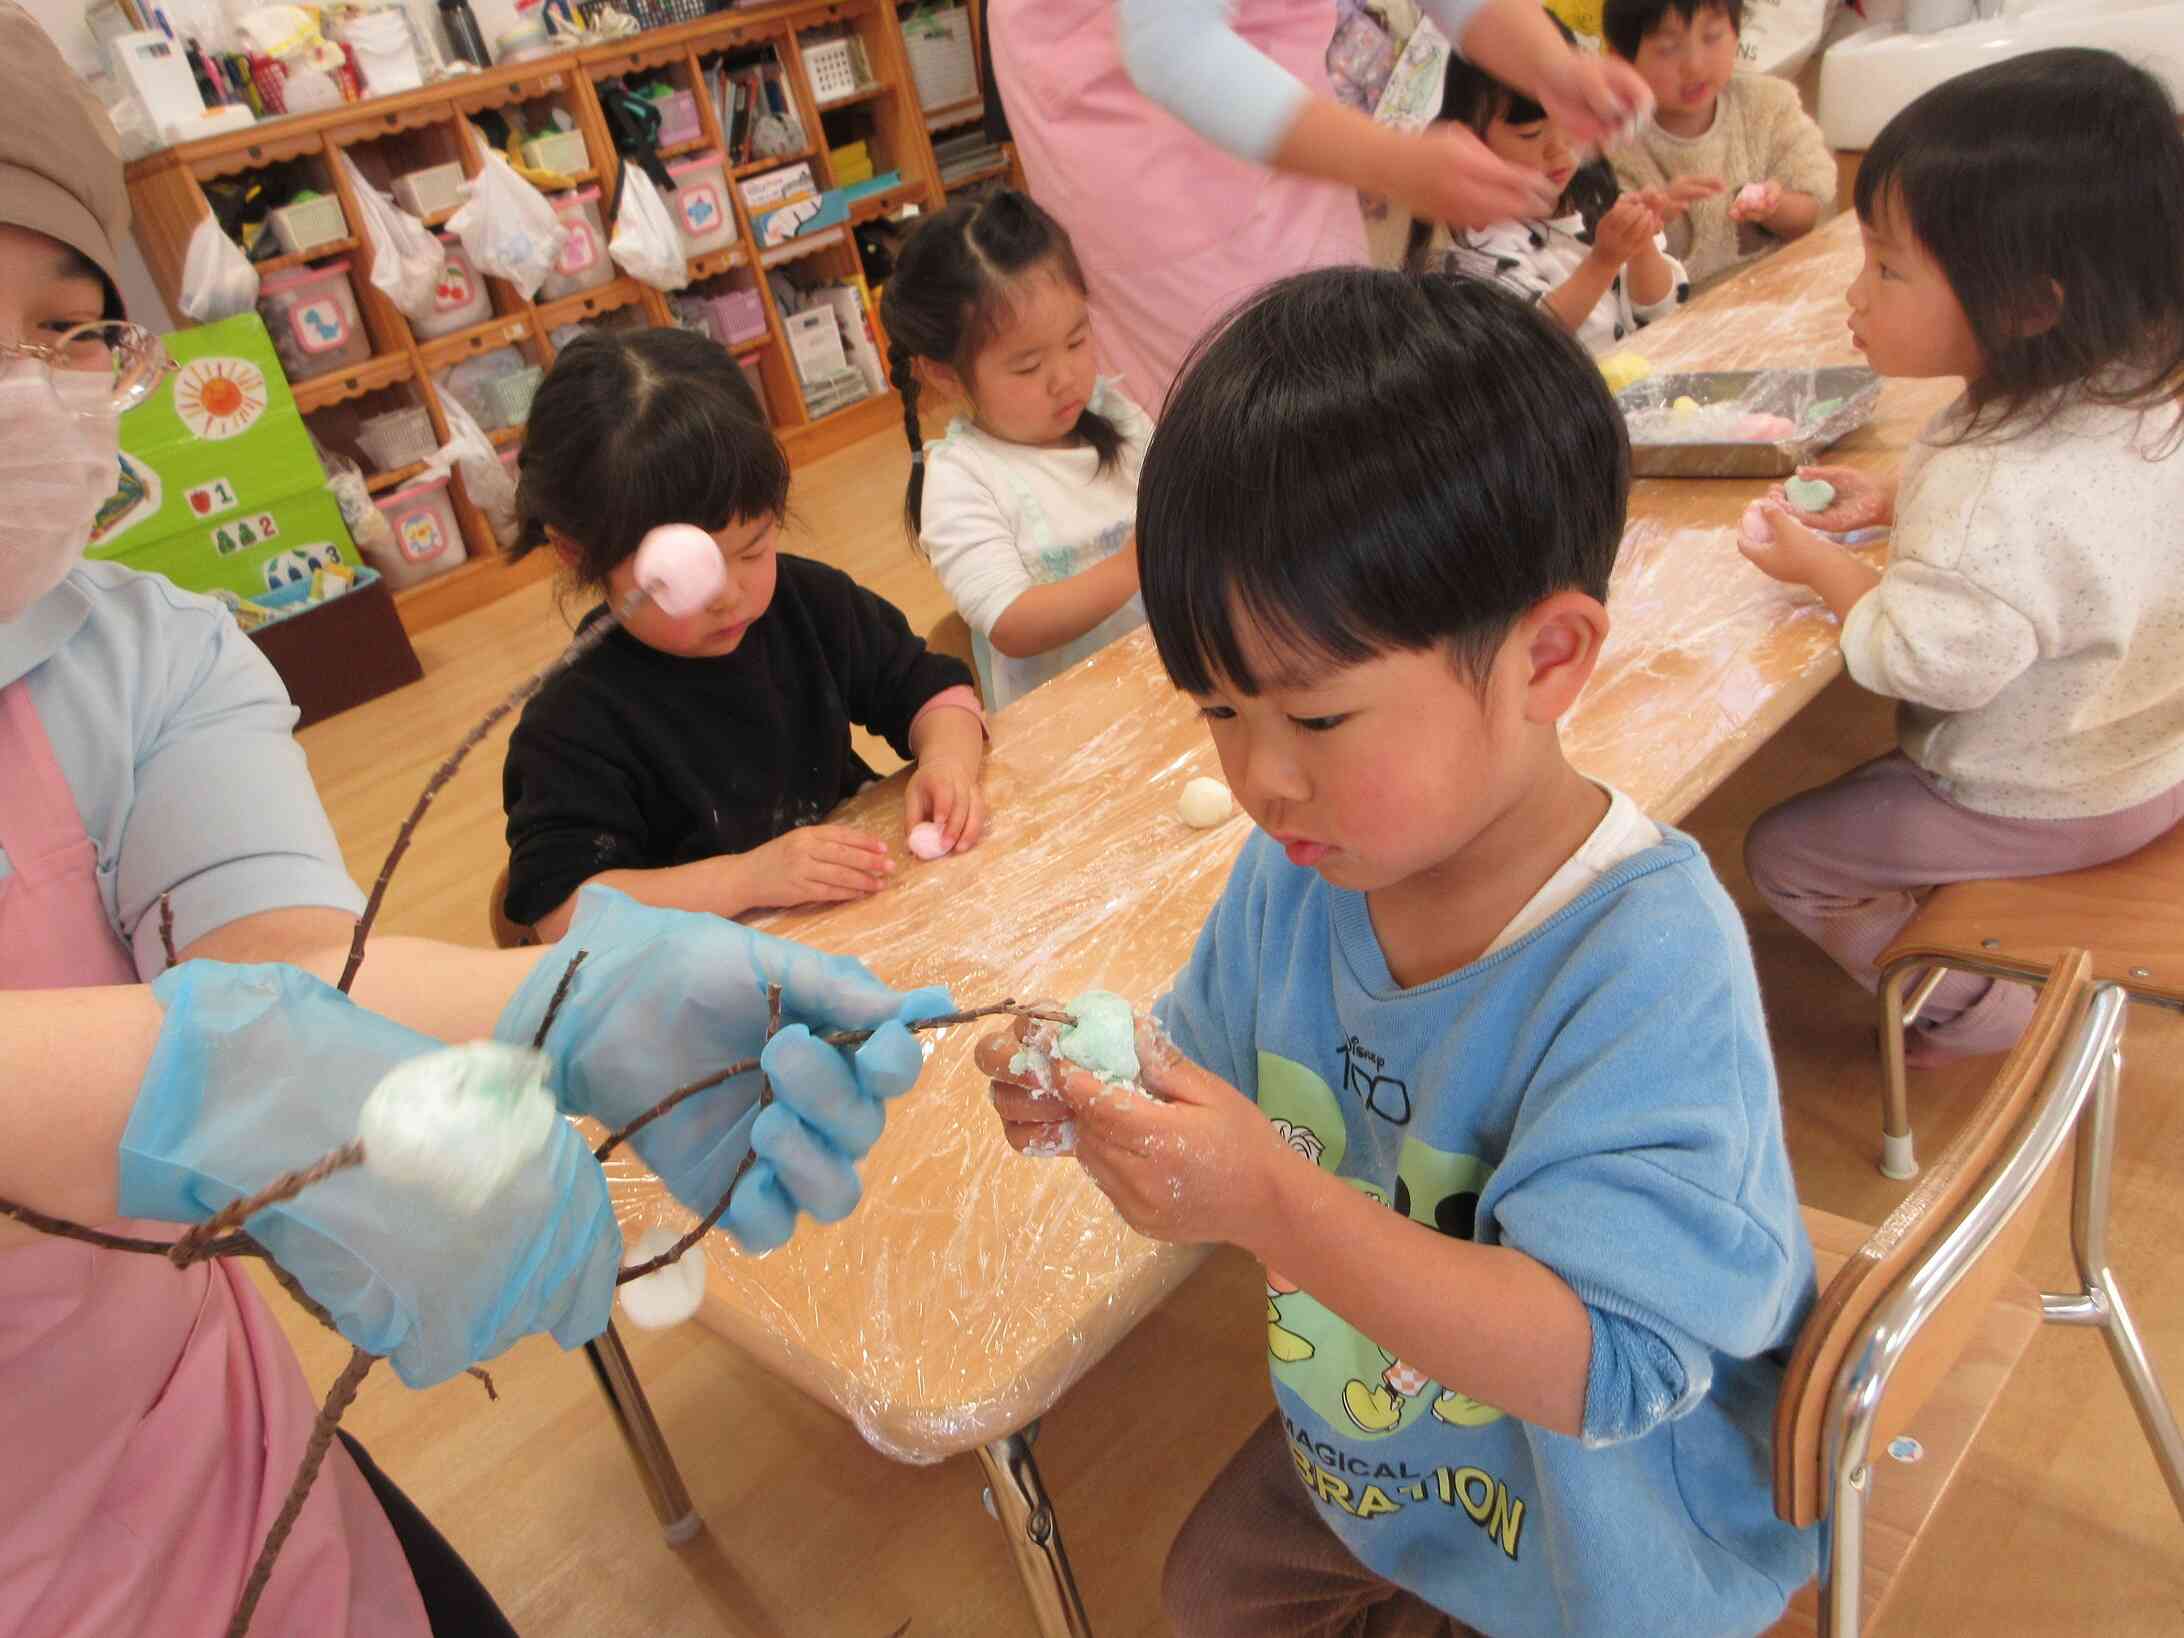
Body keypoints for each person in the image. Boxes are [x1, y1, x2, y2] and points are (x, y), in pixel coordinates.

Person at [0, 12, 945, 1631]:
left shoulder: (136, 655)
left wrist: (551, 1020)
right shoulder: (582, 722)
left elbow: (289, 964)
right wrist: (257, 1060)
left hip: (211, 1493)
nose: (20, 397)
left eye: (62, 333)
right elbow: (280, 1027)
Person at [982, 269, 1818, 1636]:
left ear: (1547, 659)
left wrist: (1269, 1202)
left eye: (1315, 721)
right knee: (1204, 1596)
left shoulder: (1645, 961)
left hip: (1605, 1534)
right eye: (1215, 710)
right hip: (1389, 1451)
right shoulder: (1300, 876)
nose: (1260, 778)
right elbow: (1199, 1064)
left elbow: (1604, 1364)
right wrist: (1088, 1081)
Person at [1738, 49, 2184, 1067]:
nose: (1858, 294)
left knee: (1787, 853)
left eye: (1887, 267)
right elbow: (2084, 531)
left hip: (2048, 796)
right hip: (2158, 759)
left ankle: (1985, 1016)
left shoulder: (1993, 493)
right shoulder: (2139, 384)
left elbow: (1923, 662)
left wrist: (1818, 567)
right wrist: (1902, 500)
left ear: (2031, 303)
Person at [499, 328, 989, 937]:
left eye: (754, 549)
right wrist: (748, 878)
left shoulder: (804, 605)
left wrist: (947, 760)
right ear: (577, 551)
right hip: (711, 986)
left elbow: (930, 688)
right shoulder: (572, 724)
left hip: (861, 927)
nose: (729, 593)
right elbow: (562, 911)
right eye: (686, 573)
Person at [989, 0, 1653, 409]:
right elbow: (1171, 52)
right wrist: (1395, 163)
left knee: (1340, 377)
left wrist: (1551, 67)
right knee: (1250, 427)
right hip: (1140, 134)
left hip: (1267, 91)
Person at [881, 190, 1152, 711]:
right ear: (942, 372)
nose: (1065, 378)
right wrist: (1133, 565)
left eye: (1076, 341)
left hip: (1168, 687)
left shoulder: (1116, 414)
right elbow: (1013, 623)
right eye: (1028, 367)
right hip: (1067, 731)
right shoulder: (964, 479)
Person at [1420, 16, 1695, 354]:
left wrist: (1640, 245)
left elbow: (1661, 310)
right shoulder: (1478, 250)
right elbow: (1532, 343)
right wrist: (1602, 262)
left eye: (1570, 125)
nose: (1559, 150)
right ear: (1469, 136)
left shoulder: (1594, 200)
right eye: (1531, 134)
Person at [1603, 0, 1835, 285]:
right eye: (1667, 48)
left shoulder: (1769, 104)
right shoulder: (1614, 146)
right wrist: (1652, 217)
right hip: (1679, 316)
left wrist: (1774, 207)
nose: (1694, 66)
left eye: (1712, 36)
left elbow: (1809, 214)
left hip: (1778, 291)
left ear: (1737, 34)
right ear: (1621, 60)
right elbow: (1615, 270)